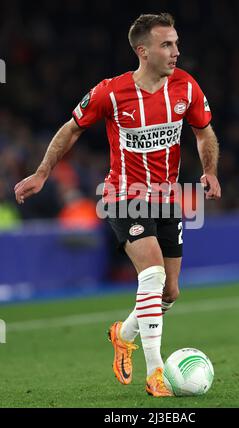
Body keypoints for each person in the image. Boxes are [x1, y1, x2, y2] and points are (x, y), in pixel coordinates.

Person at [14, 13, 221, 397]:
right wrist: (42, 173)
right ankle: (156, 373)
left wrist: (209, 171)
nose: (176, 51)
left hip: (167, 199)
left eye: (176, 43)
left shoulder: (186, 87)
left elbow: (204, 131)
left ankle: (123, 334)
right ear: (143, 51)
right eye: (167, 45)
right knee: (153, 273)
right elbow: (71, 128)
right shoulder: (111, 92)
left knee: (169, 293)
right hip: (123, 197)